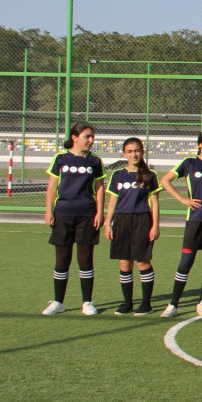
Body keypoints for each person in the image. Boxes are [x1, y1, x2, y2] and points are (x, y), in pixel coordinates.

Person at [160, 131, 202, 318]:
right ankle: (173, 304)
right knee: (185, 263)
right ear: (200, 144)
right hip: (195, 220)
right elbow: (165, 181)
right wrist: (183, 199)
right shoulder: (189, 163)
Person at [42, 122, 105, 316]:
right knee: (62, 259)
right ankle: (58, 302)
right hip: (63, 214)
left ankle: (87, 302)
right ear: (75, 138)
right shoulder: (60, 158)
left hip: (87, 214)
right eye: (87, 136)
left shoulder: (95, 161)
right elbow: (52, 187)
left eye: (92, 137)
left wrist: (100, 212)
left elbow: (100, 187)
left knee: (85, 259)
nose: (91, 140)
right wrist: (49, 211)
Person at [103, 137, 160, 316]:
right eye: (129, 151)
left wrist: (155, 226)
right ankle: (127, 302)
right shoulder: (118, 175)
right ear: (124, 154)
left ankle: (146, 304)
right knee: (124, 263)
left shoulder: (150, 175)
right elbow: (112, 202)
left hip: (142, 221)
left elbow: (155, 203)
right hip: (121, 221)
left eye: (136, 151)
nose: (133, 154)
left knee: (143, 262)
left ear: (142, 152)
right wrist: (108, 224)